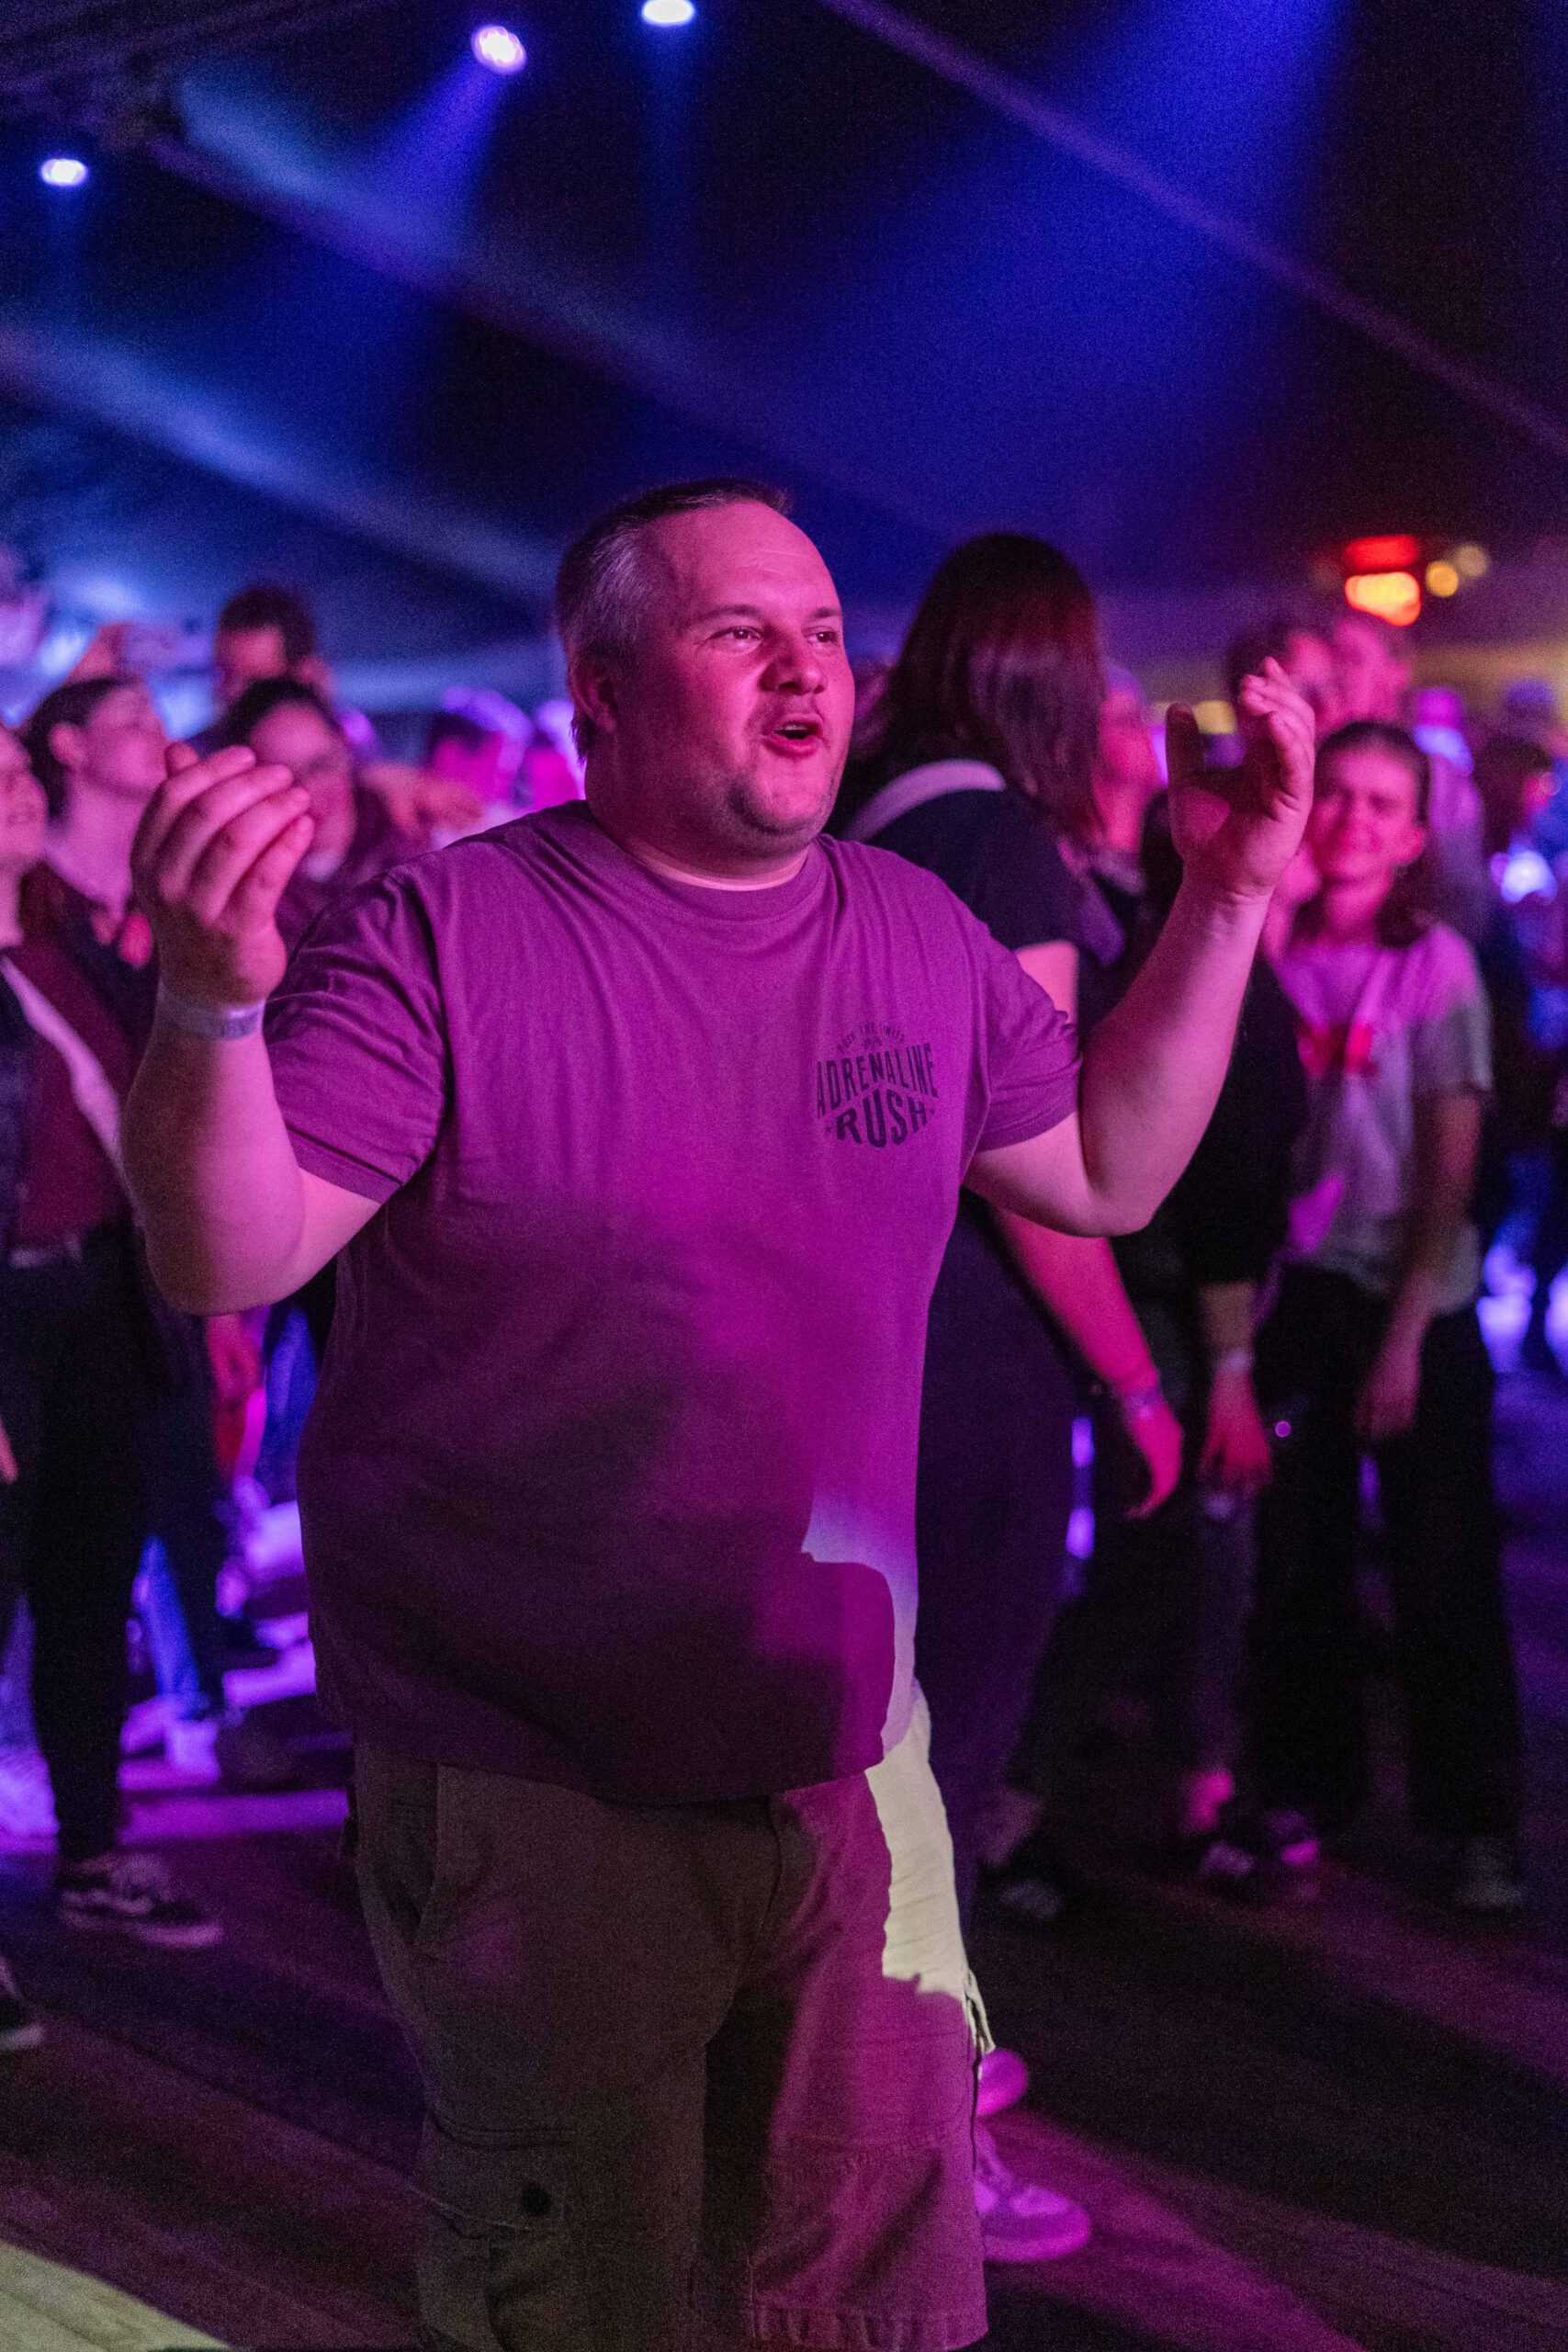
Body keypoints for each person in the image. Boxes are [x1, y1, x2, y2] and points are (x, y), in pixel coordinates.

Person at [123, 478, 1314, 2352]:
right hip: (541, 1782)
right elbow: (228, 1256)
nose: (804, 671)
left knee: (871, 2303)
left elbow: (1103, 1166)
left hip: (853, 1759)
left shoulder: (914, 930)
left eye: (824, 633)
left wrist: (1226, 898)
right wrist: (205, 1010)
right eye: (738, 632)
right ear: (599, 692)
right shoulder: (443, 933)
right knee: (584, 2307)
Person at [838, 541, 1185, 2245]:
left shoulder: (867, 816)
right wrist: (1132, 1380)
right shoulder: (995, 845)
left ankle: (850, 2122)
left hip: (849, 1340)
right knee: (943, 1763)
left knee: (860, 1757)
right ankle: (924, 2154)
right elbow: (1033, 1162)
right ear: (1049, 675)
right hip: (966, 1357)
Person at [1249, 720, 1525, 1915]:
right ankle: (1310, 1789)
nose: (1352, 820)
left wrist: (1407, 1334)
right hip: (1301, 1291)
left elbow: (1448, 1171)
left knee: (1440, 1561)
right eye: (1338, 796)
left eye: (1379, 804)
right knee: (1298, 1554)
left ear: (1414, 837)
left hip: (1413, 1293)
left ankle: (1475, 1822)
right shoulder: (1275, 945)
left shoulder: (1434, 966)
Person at [20, 677, 266, 1798]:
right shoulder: (42, 914)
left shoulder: (121, 914)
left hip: (140, 1249)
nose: (156, 736)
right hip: (44, 1270)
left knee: (157, 1505)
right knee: (53, 1541)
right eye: (129, 721)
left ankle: (169, 1738)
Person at [0, 718, 220, 1947]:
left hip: (98, 1299)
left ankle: (92, 1851)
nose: (19, 791)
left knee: (91, 1589)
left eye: (18, 769)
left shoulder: (63, 945)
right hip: (10, 1314)